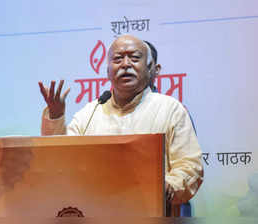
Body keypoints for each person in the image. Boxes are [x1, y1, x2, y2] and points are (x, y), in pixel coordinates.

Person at [38, 35, 203, 215]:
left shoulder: (170, 109)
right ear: (108, 71)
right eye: (118, 59)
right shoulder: (91, 112)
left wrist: (170, 186)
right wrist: (55, 116)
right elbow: (60, 160)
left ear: (150, 69)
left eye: (134, 58)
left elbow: (190, 166)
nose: (125, 64)